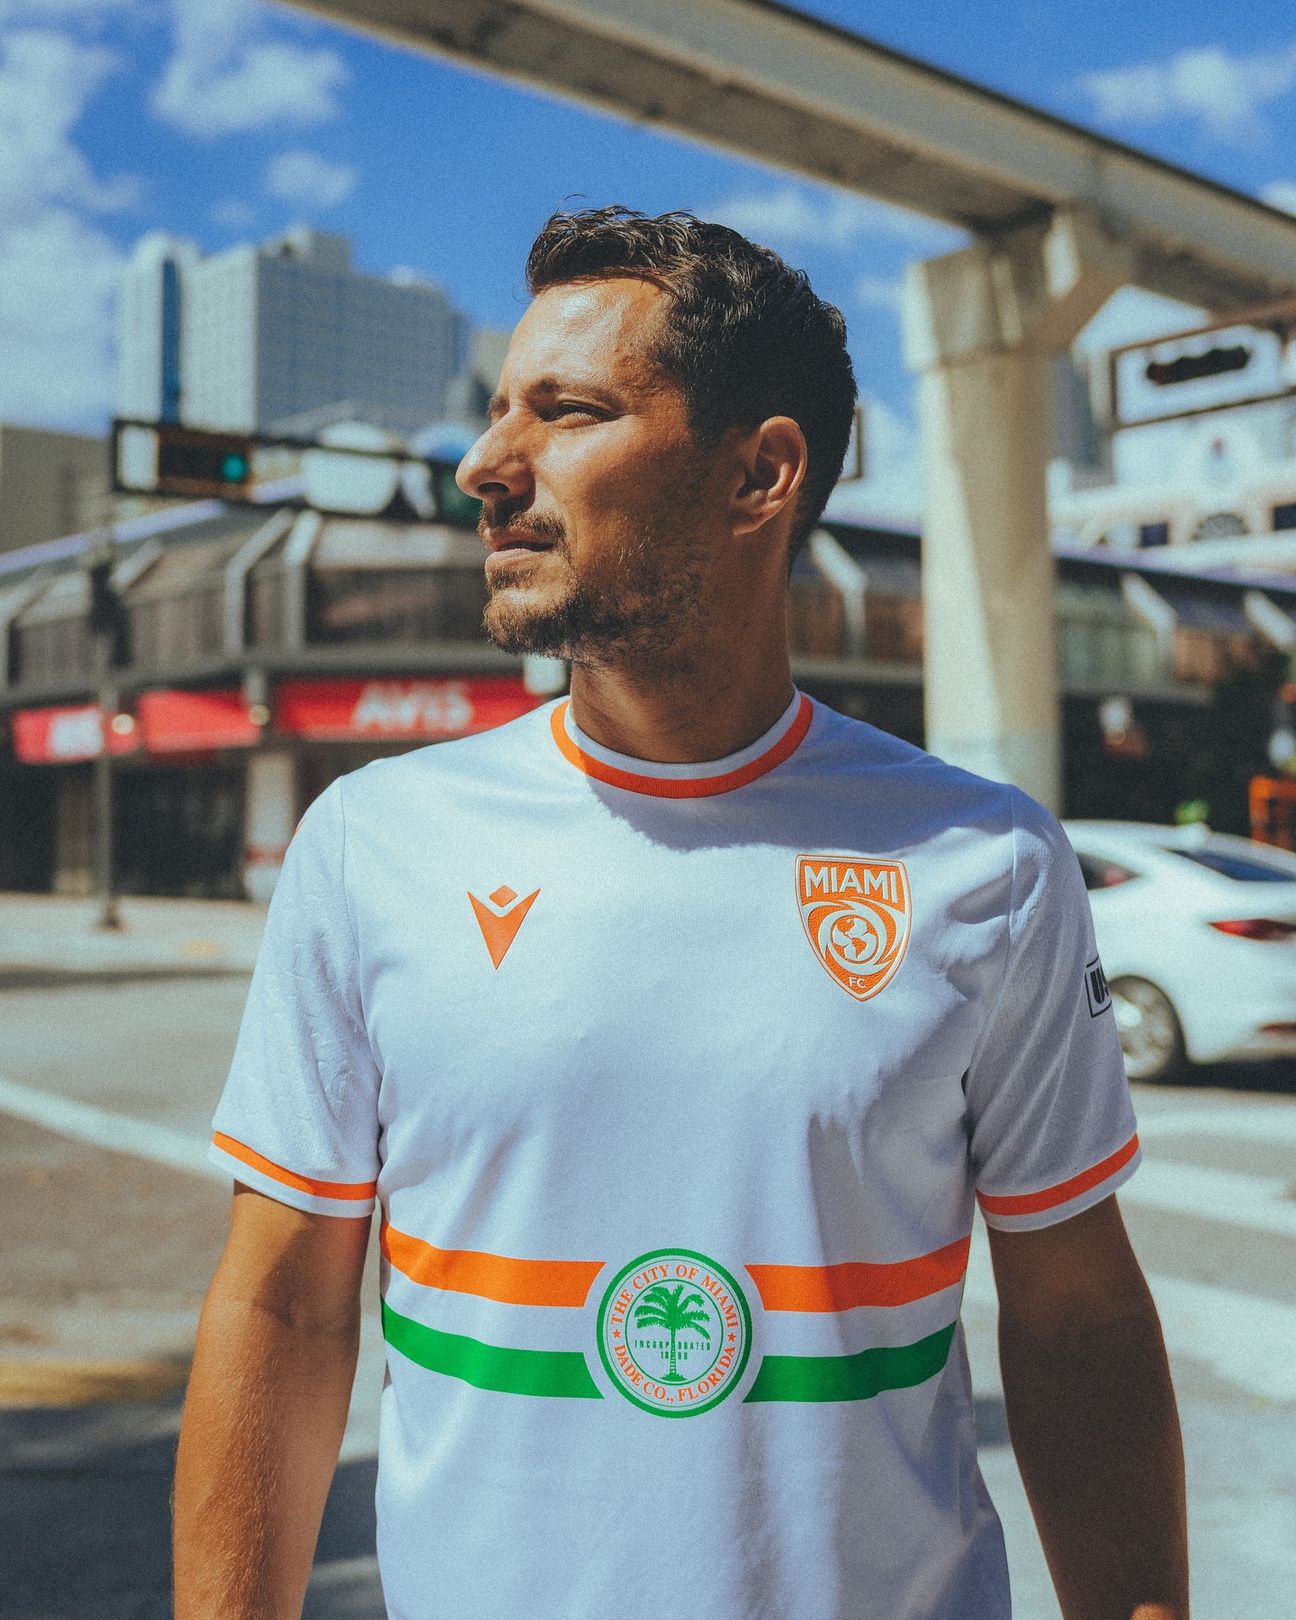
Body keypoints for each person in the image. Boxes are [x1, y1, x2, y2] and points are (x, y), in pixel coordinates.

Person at [174, 206, 1188, 1620]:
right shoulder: (371, 844)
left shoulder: (987, 862)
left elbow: (1079, 1319)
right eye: (498, 410)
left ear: (759, 474)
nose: (485, 465)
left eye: (568, 412)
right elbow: (282, 1306)